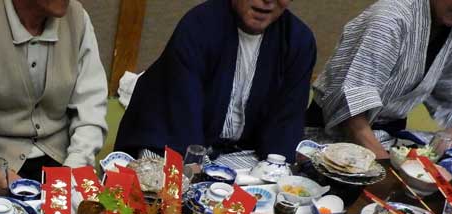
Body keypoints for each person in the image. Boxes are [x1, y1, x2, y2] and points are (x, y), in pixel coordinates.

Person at [0, 0, 108, 188]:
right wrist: (3, 178)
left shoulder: (78, 19)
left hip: (65, 159)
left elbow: (90, 108)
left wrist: (72, 171)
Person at [114, 0, 316, 161]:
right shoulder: (199, 26)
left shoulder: (298, 41)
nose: (268, 1)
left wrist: (273, 174)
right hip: (172, 142)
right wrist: (196, 173)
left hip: (242, 153)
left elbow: (285, 125)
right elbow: (181, 113)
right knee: (162, 187)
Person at [308, 0, 452, 159]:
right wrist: (389, 168)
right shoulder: (389, 18)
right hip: (331, 139)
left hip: (388, 140)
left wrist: (449, 143)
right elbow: (351, 111)